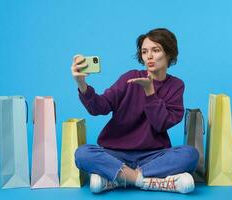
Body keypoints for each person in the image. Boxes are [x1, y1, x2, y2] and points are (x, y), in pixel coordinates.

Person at [71, 28, 199, 194]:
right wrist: (81, 84)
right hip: (115, 153)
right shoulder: (129, 78)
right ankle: (146, 181)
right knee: (82, 154)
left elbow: (161, 124)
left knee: (190, 155)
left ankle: (116, 180)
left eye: (156, 50)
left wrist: (150, 92)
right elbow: (99, 108)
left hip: (153, 156)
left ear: (169, 53)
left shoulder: (176, 86)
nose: (149, 56)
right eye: (145, 51)